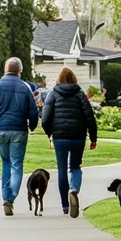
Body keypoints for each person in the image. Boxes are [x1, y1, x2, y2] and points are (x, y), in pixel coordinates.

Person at [0, 57, 40, 216]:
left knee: (5, 163)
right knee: (16, 165)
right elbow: (33, 111)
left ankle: (6, 196)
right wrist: (32, 126)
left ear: (6, 69)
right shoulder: (24, 88)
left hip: (0, 130)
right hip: (19, 130)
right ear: (20, 70)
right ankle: (10, 197)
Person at [41, 67, 98, 217]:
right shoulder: (80, 95)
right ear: (74, 79)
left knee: (61, 170)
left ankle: (65, 206)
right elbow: (89, 117)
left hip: (60, 136)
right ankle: (73, 190)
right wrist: (93, 138)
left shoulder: (52, 94)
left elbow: (45, 119)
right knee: (75, 166)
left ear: (58, 79)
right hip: (78, 136)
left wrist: (50, 134)